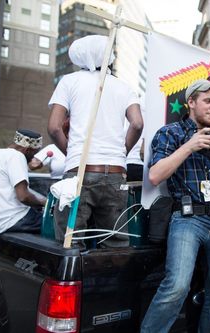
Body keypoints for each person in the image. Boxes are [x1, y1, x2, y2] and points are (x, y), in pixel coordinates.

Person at [141, 79, 210, 332]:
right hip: (187, 219)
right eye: (208, 101)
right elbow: (155, 176)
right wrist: (190, 145)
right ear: (191, 102)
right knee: (177, 287)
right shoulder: (170, 133)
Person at [47, 35, 143, 242]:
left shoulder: (69, 82)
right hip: (116, 174)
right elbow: (137, 124)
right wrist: (122, 152)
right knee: (115, 243)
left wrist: (72, 152)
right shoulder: (124, 87)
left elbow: (54, 127)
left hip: (80, 173)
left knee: (71, 242)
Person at [0, 130, 46, 234]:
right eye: (34, 153)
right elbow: (23, 196)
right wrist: (44, 202)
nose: (32, 158)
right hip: (17, 219)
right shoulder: (17, 156)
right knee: (58, 225)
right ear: (27, 149)